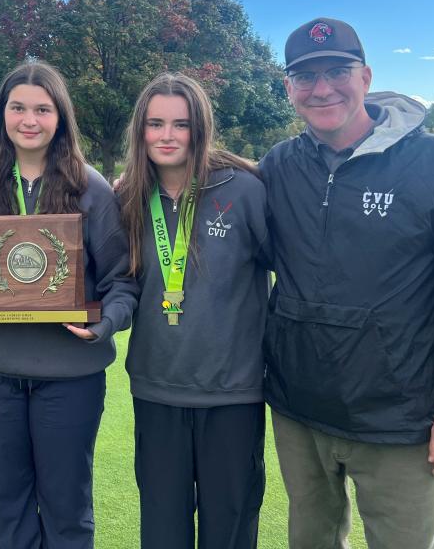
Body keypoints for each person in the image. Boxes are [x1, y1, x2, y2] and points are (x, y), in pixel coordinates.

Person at [260, 17, 434, 549]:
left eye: (338, 71)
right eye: (305, 77)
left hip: (401, 419)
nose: (322, 87)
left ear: (366, 76)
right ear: (289, 88)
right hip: (299, 410)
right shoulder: (280, 165)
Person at [0, 61, 138, 549]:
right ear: (2, 115)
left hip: (70, 375)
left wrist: (104, 326)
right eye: (18, 108)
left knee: (67, 508)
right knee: (7, 506)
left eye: (43, 108)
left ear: (61, 117)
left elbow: (122, 282)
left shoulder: (91, 188)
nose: (29, 119)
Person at [117, 73, 269, 549]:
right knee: (163, 531)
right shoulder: (126, 198)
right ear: (140, 130)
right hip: (157, 387)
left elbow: (293, 272)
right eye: (155, 123)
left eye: (179, 124)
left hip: (233, 394)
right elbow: (117, 283)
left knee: (230, 530)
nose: (166, 136)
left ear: (199, 129)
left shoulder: (243, 189)